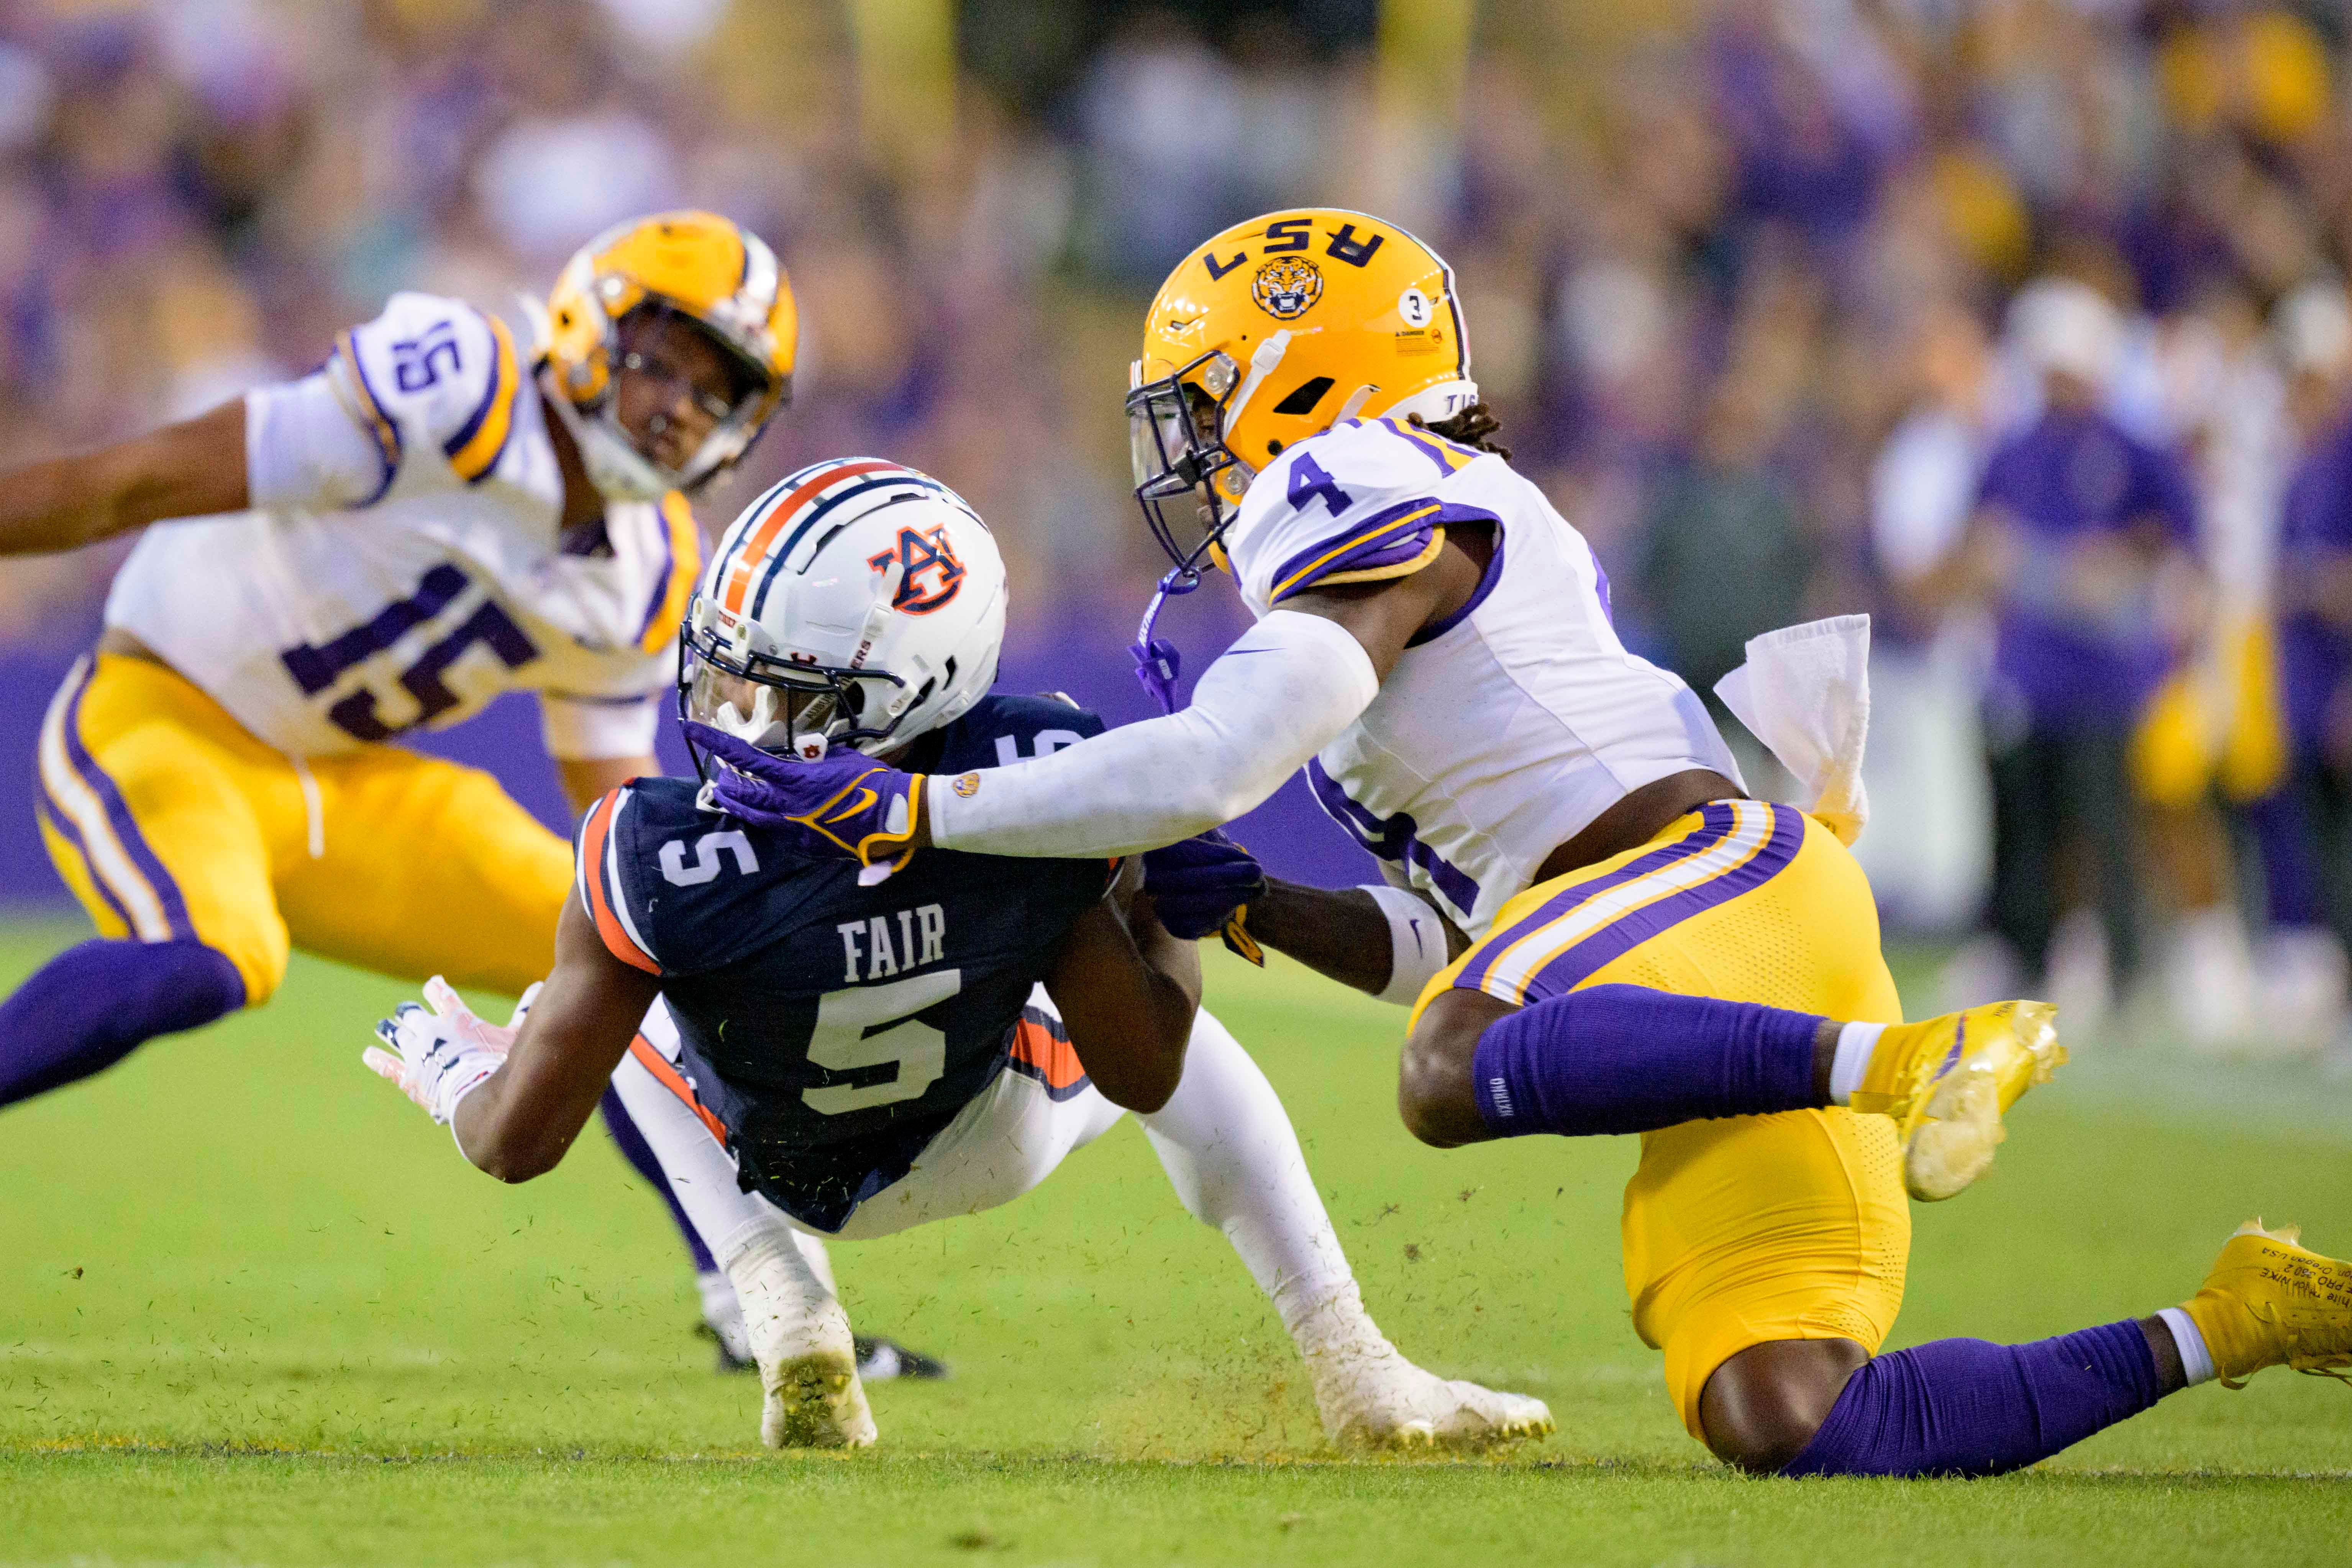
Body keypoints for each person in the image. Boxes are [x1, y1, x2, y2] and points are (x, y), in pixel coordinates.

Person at [694, 210, 2352, 1474]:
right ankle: (2229, 1320)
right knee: (1785, 1419)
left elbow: (1211, 757)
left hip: (1700, 877)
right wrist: (1267, 904)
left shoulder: (1356, 473)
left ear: (1304, 376)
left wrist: (920, 807)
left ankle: (1913, 1060)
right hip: (1710, 936)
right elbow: (1452, 929)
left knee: (1446, 1070)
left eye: (1203, 400)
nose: (1185, 448)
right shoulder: (1416, 540)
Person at [363, 459, 1554, 1452]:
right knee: (1196, 1048)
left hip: (789, 1168)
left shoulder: (655, 848)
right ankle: (1349, 1356)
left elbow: (516, 1142)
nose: (738, 721)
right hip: (1002, 1129)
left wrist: (455, 1070)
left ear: (907, 688)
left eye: (785, 695)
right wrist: (1157, 918)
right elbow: (1142, 1067)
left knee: (594, 992)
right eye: (729, 672)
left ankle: (782, 1300)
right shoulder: (1035, 766)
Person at [0, 208, 927, 1379]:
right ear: (592, 322)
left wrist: (727, 918)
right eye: (664, 360)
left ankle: (755, 1302)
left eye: (716, 389)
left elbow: (618, 823)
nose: (680, 405)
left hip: (350, 788)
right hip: (166, 714)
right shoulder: (453, 386)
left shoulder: (649, 569)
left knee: (638, 954)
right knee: (210, 959)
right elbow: (132, 482)